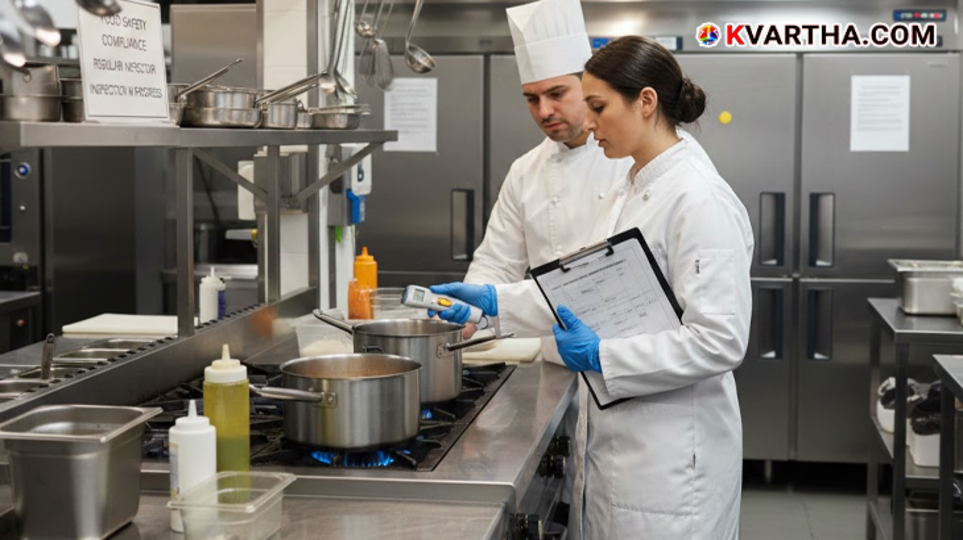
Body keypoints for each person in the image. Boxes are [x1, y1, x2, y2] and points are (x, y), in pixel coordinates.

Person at [432, 36, 753, 539]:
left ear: (646, 102)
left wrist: (604, 356)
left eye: (598, 106)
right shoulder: (633, 185)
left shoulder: (699, 198)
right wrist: (496, 305)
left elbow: (720, 340)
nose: (590, 120)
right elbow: (587, 289)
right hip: (619, 445)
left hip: (670, 461)